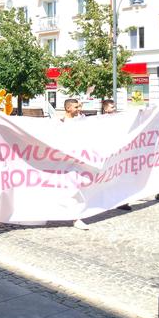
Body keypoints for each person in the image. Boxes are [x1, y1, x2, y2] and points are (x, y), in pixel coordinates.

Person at [59, 98, 90, 230]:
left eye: (79, 106)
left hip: (76, 160)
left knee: (75, 188)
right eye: (76, 107)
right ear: (68, 108)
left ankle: (76, 218)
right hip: (62, 161)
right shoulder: (60, 122)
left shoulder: (81, 120)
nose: (79, 109)